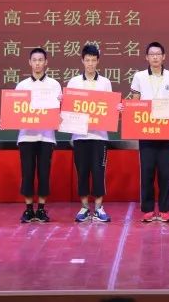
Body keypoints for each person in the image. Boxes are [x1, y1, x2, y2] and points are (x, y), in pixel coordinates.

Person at [128, 41, 169, 222]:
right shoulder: (139, 76)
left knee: (165, 172)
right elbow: (135, 101)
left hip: (166, 131)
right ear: (147, 57)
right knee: (147, 171)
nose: (155, 57)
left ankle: (165, 209)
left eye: (158, 54)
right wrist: (128, 109)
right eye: (152, 54)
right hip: (146, 131)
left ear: (164, 56)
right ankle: (148, 209)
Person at [14, 47, 62, 223]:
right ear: (29, 62)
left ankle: (41, 209)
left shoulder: (54, 85)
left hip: (46, 137)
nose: (37, 63)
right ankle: (28, 209)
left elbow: (59, 111)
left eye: (40, 60)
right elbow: (15, 110)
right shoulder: (22, 86)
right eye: (34, 60)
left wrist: (62, 104)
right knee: (27, 173)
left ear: (46, 62)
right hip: (26, 136)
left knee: (43, 173)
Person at [66, 44, 113, 223]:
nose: (90, 64)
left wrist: (116, 108)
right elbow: (69, 108)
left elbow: (109, 107)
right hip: (80, 136)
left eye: (93, 60)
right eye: (87, 60)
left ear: (98, 61)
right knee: (83, 172)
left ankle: (99, 208)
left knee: (99, 172)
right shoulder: (74, 82)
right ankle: (85, 207)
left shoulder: (105, 82)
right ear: (82, 61)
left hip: (99, 136)